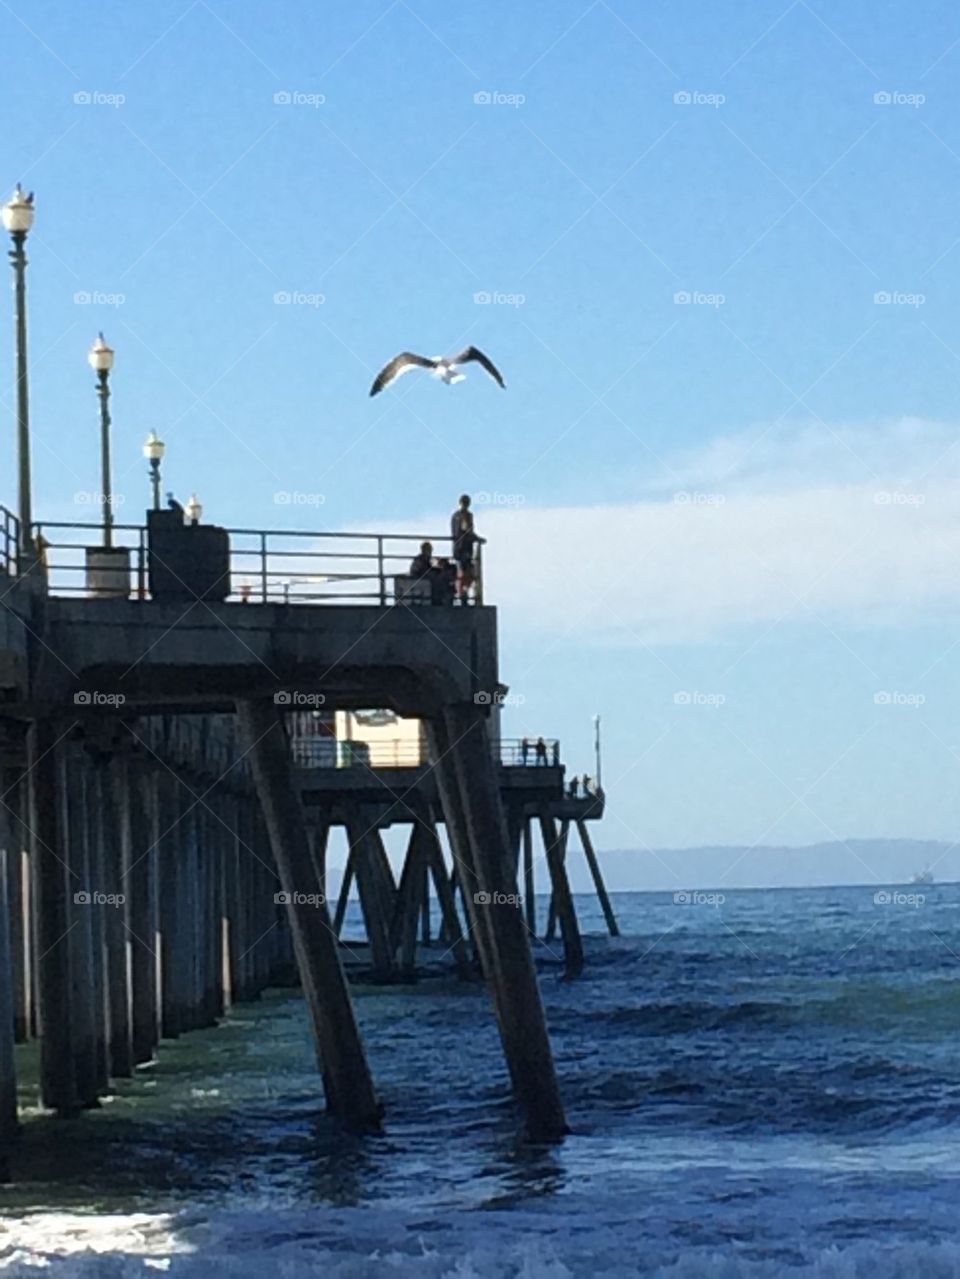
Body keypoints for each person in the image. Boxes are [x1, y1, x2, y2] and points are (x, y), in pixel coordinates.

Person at [451, 494, 485, 600]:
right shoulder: (463, 515)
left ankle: (462, 591)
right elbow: (466, 529)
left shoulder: (456, 515)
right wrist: (476, 538)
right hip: (463, 548)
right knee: (465, 571)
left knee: (465, 571)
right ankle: (462, 592)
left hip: (460, 547)